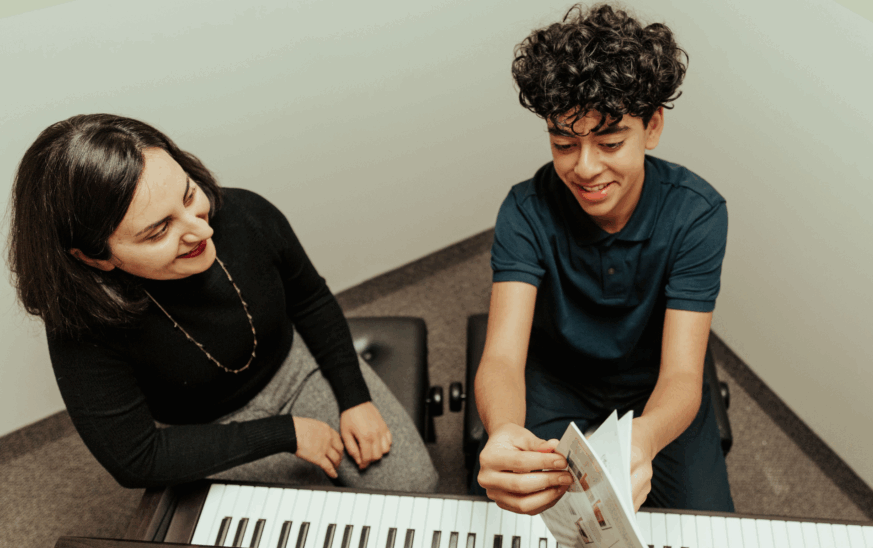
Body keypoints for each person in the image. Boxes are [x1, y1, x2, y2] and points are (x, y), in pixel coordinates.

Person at [7, 114, 439, 491]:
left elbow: (311, 300)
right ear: (94, 256)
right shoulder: (81, 326)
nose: (202, 231)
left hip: (297, 369)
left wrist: (355, 397)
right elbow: (135, 458)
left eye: (189, 195)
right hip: (203, 430)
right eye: (159, 231)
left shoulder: (248, 214)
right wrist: (284, 434)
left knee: (415, 490)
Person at [472, 4, 733, 514]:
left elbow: (683, 373)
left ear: (652, 127)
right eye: (563, 143)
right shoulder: (524, 211)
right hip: (555, 380)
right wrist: (504, 429)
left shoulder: (697, 214)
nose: (585, 168)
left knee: (702, 529)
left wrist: (642, 441)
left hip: (654, 385)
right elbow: (502, 358)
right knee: (526, 524)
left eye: (610, 142)